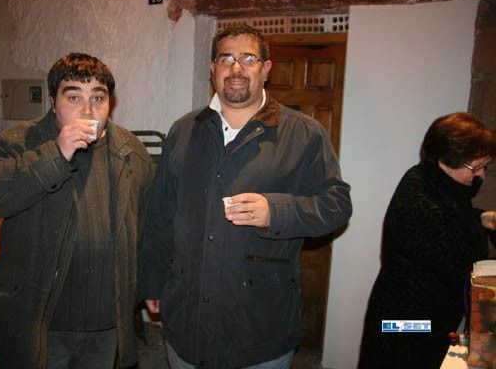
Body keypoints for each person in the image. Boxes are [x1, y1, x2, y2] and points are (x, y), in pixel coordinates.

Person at [140, 25, 352, 369]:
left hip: (259, 326)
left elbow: (337, 205)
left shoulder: (304, 134)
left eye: (248, 58)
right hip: (186, 322)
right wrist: (152, 279)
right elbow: (160, 213)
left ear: (266, 69)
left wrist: (276, 212)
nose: (236, 68)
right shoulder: (184, 130)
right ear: (213, 68)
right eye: (226, 58)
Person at [0, 52, 154, 369]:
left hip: (105, 324)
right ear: (53, 102)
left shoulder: (130, 151)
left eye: (98, 97)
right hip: (39, 323)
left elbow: (147, 227)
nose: (88, 109)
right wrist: (56, 153)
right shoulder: (19, 142)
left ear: (110, 103)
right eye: (73, 97)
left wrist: (148, 286)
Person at [358, 112, 496, 368]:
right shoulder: (417, 199)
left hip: (427, 316)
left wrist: (482, 218)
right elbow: (466, 255)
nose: (481, 175)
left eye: (484, 166)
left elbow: (455, 214)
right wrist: (479, 228)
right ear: (445, 160)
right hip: (405, 320)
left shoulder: (434, 180)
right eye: (475, 167)